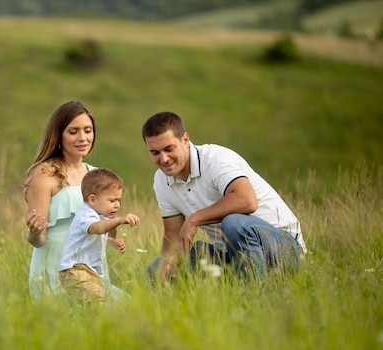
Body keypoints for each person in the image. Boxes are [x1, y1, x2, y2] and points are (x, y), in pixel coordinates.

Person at [141, 111, 306, 281]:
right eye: (155, 152)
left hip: (286, 251)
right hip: (231, 254)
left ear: (185, 140)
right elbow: (172, 234)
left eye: (169, 149)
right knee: (157, 269)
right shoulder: (161, 181)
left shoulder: (216, 159)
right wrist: (169, 264)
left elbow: (247, 200)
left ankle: (255, 295)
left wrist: (194, 219)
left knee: (233, 223)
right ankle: (220, 293)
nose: (164, 159)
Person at [23, 100, 128, 300]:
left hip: (91, 273)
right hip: (56, 273)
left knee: (125, 309)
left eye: (88, 130)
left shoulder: (96, 175)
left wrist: (112, 238)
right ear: (59, 135)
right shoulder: (45, 175)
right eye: (73, 132)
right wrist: (33, 232)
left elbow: (95, 229)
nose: (83, 138)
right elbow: (38, 240)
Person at [59, 168, 140, 305]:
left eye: (119, 200)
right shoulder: (86, 214)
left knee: (123, 301)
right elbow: (96, 228)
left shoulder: (99, 215)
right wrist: (119, 220)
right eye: (112, 200)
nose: (117, 205)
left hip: (90, 273)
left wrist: (112, 241)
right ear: (92, 199)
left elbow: (102, 233)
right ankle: (97, 325)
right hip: (75, 271)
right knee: (97, 303)